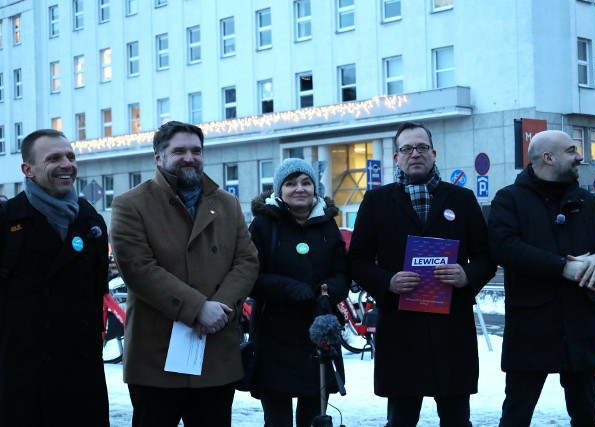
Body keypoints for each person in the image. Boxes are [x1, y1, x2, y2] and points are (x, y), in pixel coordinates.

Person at [110, 121, 259, 427]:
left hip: (215, 351)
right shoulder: (131, 204)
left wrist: (219, 310)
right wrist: (197, 308)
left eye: (196, 150)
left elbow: (247, 261)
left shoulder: (228, 204)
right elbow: (139, 269)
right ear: (158, 157)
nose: (189, 157)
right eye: (179, 151)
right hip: (156, 356)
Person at [348, 122, 496, 427]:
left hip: (451, 325)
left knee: (456, 419)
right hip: (400, 327)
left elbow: (486, 257)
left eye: (422, 147)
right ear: (396, 158)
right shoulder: (376, 202)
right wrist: (387, 281)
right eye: (407, 148)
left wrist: (466, 275)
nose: (415, 153)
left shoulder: (462, 199)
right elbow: (358, 261)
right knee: (401, 420)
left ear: (434, 153)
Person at [488, 130, 595, 426]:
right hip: (531, 327)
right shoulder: (510, 199)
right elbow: (504, 247)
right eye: (571, 150)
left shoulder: (586, 200)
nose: (580, 156)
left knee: (586, 416)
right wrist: (561, 266)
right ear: (549, 158)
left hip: (580, 328)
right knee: (517, 414)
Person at [0, 129, 110, 425]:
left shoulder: (90, 220)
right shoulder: (8, 219)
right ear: (28, 170)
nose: (67, 164)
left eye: (70, 157)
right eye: (54, 158)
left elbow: (96, 288)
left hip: (82, 378)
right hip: (24, 379)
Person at [248, 158, 350, 427]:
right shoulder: (262, 225)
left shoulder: (328, 225)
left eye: (306, 183)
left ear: (315, 188)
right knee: (277, 419)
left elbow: (342, 273)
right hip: (274, 336)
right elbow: (250, 277)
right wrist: (290, 289)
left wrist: (329, 292)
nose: (299, 189)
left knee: (313, 418)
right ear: (279, 190)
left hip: (318, 333)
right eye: (291, 183)